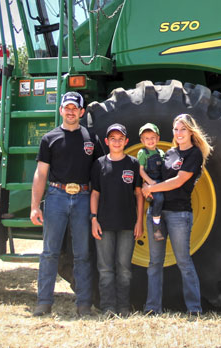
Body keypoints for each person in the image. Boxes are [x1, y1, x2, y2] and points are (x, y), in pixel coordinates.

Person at [30, 91, 104, 317]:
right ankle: (43, 303)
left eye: (75, 108)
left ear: (82, 112)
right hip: (56, 197)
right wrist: (35, 205)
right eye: (67, 107)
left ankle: (83, 305)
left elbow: (100, 174)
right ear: (61, 110)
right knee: (50, 252)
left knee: (82, 253)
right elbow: (41, 174)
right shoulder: (49, 139)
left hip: (82, 197)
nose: (71, 111)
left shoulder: (92, 139)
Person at [141, 113, 213, 315]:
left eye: (182, 129)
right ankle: (152, 307)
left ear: (191, 131)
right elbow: (156, 177)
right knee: (155, 262)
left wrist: (151, 189)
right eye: (175, 129)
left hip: (179, 214)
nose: (178, 133)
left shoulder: (194, 154)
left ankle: (194, 308)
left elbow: (179, 181)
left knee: (183, 261)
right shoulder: (169, 153)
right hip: (157, 212)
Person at [90, 123, 144, 317]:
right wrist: (94, 219)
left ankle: (123, 307)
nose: (117, 142)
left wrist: (139, 221)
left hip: (128, 225)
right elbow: (95, 194)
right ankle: (108, 307)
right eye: (113, 138)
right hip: (104, 224)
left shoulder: (133, 164)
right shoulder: (99, 164)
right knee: (105, 268)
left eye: (120, 138)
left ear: (126, 141)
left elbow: (139, 195)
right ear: (107, 141)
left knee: (124, 268)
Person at [137, 123, 165, 241]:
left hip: (160, 181)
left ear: (158, 138)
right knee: (159, 198)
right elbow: (141, 170)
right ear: (142, 140)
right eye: (147, 138)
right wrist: (149, 182)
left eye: (153, 137)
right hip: (151, 181)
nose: (150, 140)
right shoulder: (142, 153)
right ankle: (156, 226)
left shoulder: (161, 153)